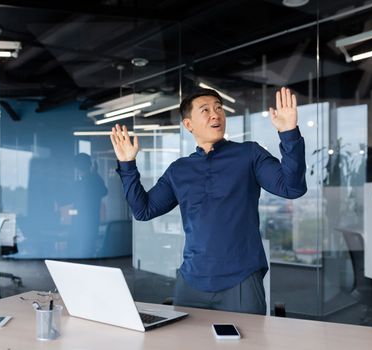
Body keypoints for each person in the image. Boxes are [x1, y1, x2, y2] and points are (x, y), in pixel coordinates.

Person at [110, 87, 306, 315]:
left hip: (241, 279)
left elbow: (292, 188)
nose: (216, 114)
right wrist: (127, 165)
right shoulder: (179, 170)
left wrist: (289, 132)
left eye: (219, 108)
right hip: (191, 282)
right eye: (205, 110)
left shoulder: (250, 154)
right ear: (188, 124)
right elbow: (143, 210)